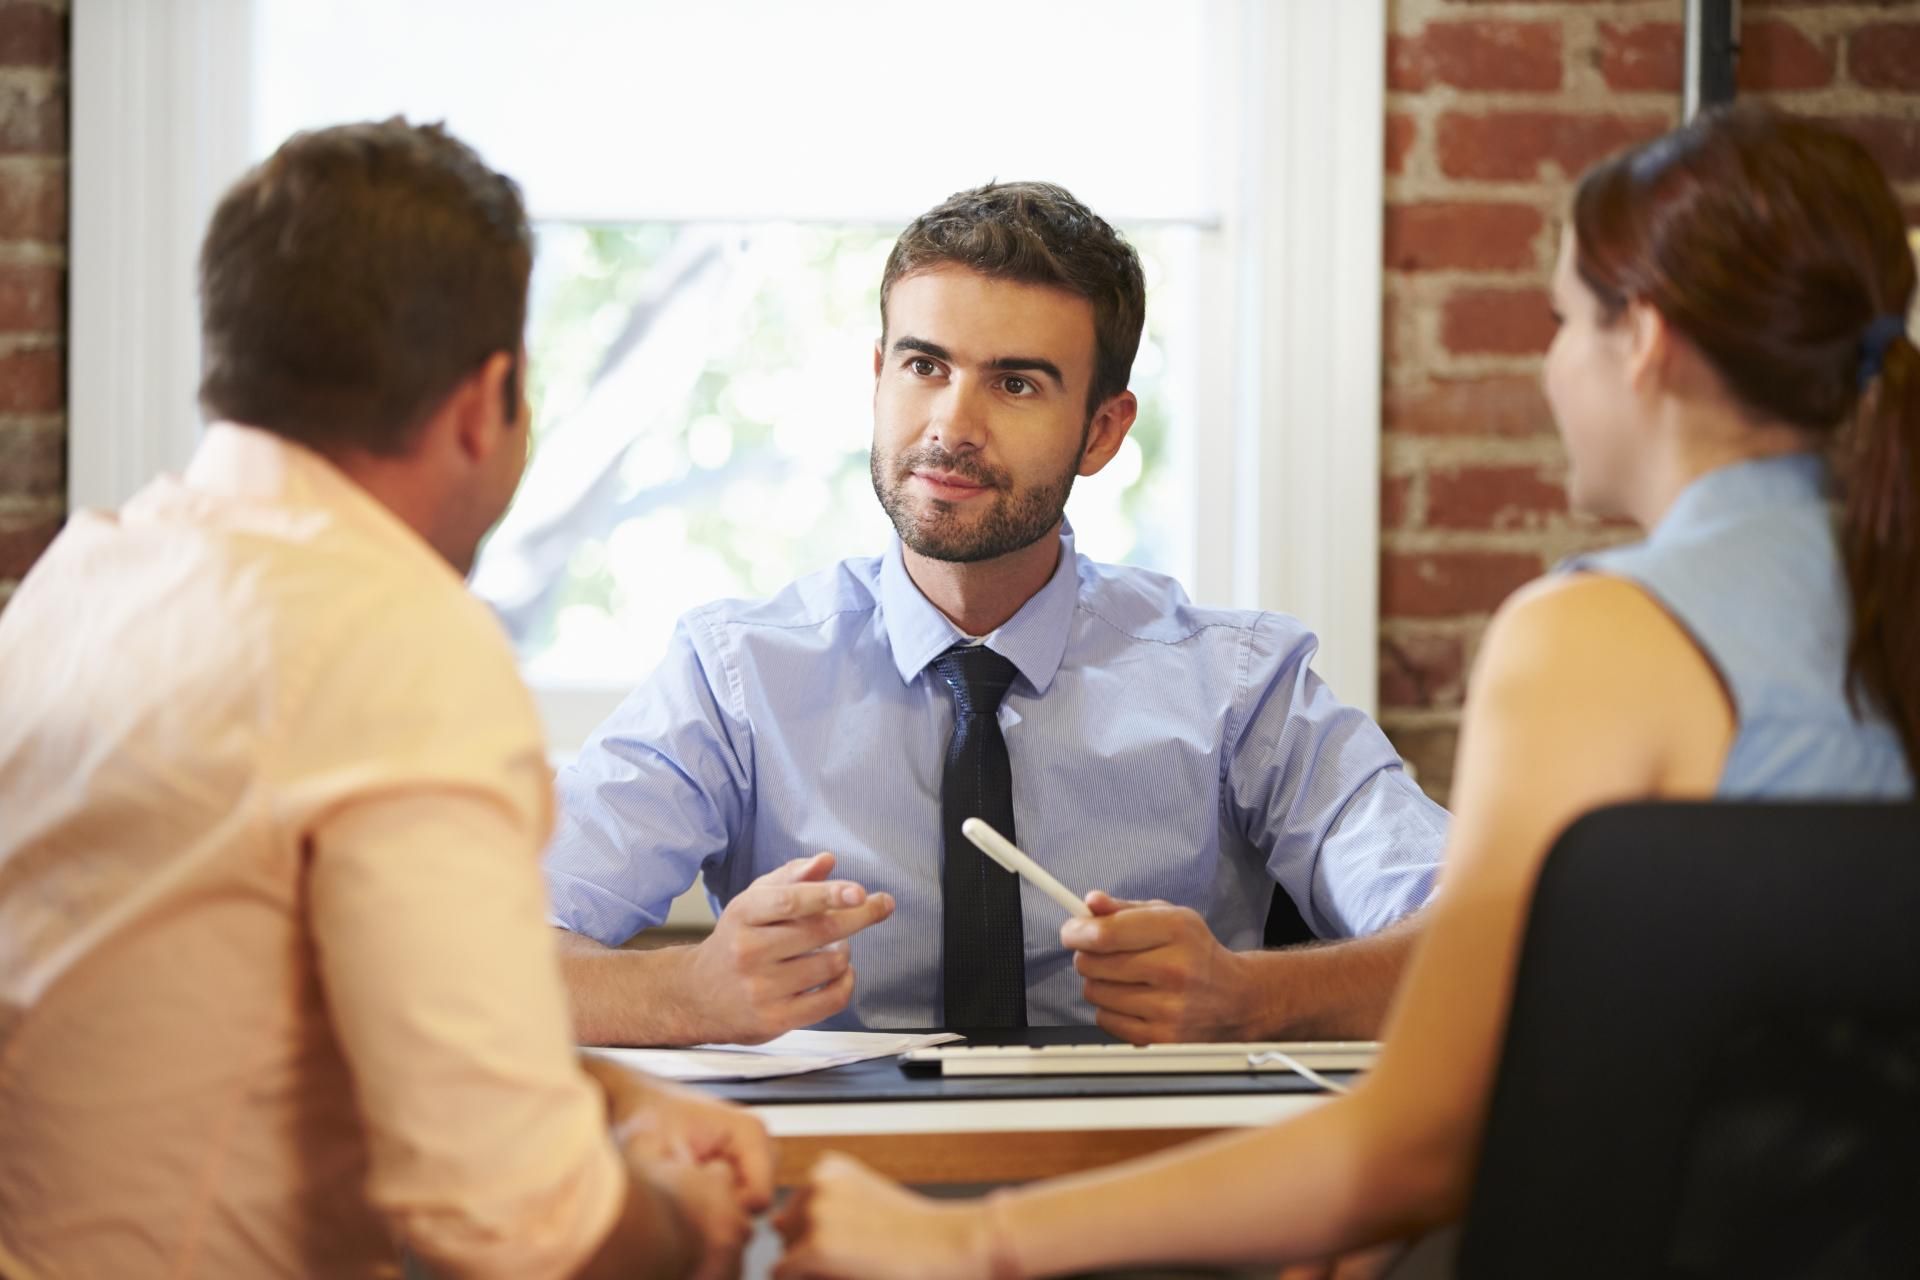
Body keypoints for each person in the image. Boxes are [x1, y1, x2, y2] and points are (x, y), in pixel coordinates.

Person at [769, 103, 1920, 1279]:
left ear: (1648, 343)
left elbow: (1420, 1139)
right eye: (923, 365)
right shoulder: (1887, 592)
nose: (1549, 360)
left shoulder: (1597, 638)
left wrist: (975, 1241)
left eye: (1566, 318)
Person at [0, 120, 769, 1280]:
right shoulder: (396, 642)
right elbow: (521, 1231)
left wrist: (602, 1097)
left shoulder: (84, 577)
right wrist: (683, 1226)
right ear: (486, 400)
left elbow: (276, 1013)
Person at [546, 181, 1450, 1047]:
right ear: (878, 376)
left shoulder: (1241, 687)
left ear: (1102, 431)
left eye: (1016, 384)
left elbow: (1474, 942)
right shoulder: (733, 678)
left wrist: (1248, 1000)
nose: (951, 425)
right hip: (837, 1179)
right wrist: (685, 994)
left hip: (1151, 1177)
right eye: (924, 365)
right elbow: (478, 959)